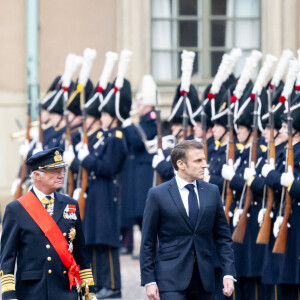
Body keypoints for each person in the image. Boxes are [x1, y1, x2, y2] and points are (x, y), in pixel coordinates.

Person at [140, 140, 236, 300]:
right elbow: (148, 242)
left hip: (204, 279)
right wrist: (149, 279)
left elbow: (223, 238)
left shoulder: (212, 191)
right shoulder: (158, 194)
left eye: (204, 160)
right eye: (198, 161)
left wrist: (228, 273)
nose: (205, 165)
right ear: (181, 164)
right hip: (170, 279)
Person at [0, 147, 95, 300]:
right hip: (32, 291)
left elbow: (81, 254)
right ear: (37, 175)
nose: (61, 175)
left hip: (65, 290)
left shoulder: (70, 204)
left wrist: (88, 291)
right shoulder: (16, 209)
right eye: (54, 171)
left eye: (62, 170)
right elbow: (7, 258)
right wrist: (9, 294)